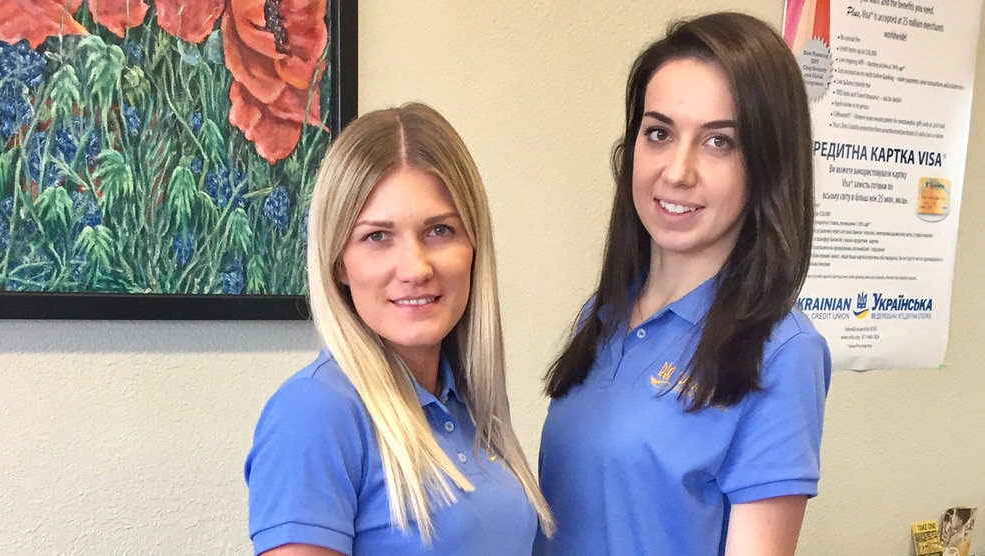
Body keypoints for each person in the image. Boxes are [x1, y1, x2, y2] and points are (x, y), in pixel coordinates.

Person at [533, 12, 831, 556]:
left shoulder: (781, 351)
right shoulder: (600, 318)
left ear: (767, 165)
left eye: (719, 142)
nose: (677, 171)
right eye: (659, 133)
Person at [245, 102, 553, 555]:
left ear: (473, 246)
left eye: (439, 231)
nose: (414, 268)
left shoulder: (472, 402)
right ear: (339, 263)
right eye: (377, 236)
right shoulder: (315, 412)